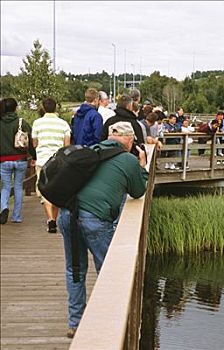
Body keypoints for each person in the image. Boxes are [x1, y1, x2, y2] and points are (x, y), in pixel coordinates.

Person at [57, 121, 148, 339]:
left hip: (67, 214)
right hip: (94, 219)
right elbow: (138, 191)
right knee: (108, 272)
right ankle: (108, 324)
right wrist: (142, 165)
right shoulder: (127, 159)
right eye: (133, 140)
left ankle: (75, 323)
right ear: (127, 139)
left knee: (75, 269)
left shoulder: (91, 151)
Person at [32, 98, 72, 232]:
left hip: (42, 160)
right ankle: (54, 218)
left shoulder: (37, 123)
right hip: (58, 161)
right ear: (56, 108)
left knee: (44, 189)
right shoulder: (63, 124)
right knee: (56, 189)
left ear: (43, 108)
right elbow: (67, 145)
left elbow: (34, 144)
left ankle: (50, 219)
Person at [0, 98, 36, 224]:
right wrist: (34, 157)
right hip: (20, 159)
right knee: (18, 187)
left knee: (5, 187)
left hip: (3, 160)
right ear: (15, 108)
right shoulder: (22, 122)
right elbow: (31, 141)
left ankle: (4, 207)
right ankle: (16, 216)